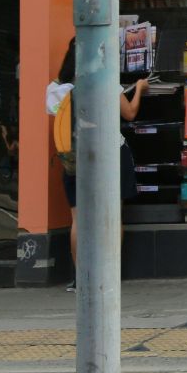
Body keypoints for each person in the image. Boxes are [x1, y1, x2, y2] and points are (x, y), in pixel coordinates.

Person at [50, 38, 146, 279]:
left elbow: (57, 116)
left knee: (78, 220)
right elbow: (130, 113)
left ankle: (80, 276)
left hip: (73, 159)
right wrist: (140, 90)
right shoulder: (105, 83)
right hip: (110, 155)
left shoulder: (56, 90)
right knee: (112, 216)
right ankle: (109, 273)